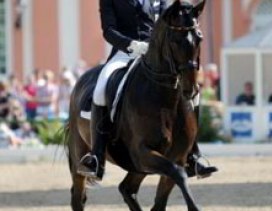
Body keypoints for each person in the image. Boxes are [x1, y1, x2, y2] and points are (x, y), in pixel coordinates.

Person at [78, 0, 217, 180]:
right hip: (125, 52)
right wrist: (131, 45)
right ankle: (96, 157)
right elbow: (109, 30)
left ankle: (193, 155)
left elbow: (173, 18)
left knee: (194, 92)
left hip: (157, 53)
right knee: (101, 87)